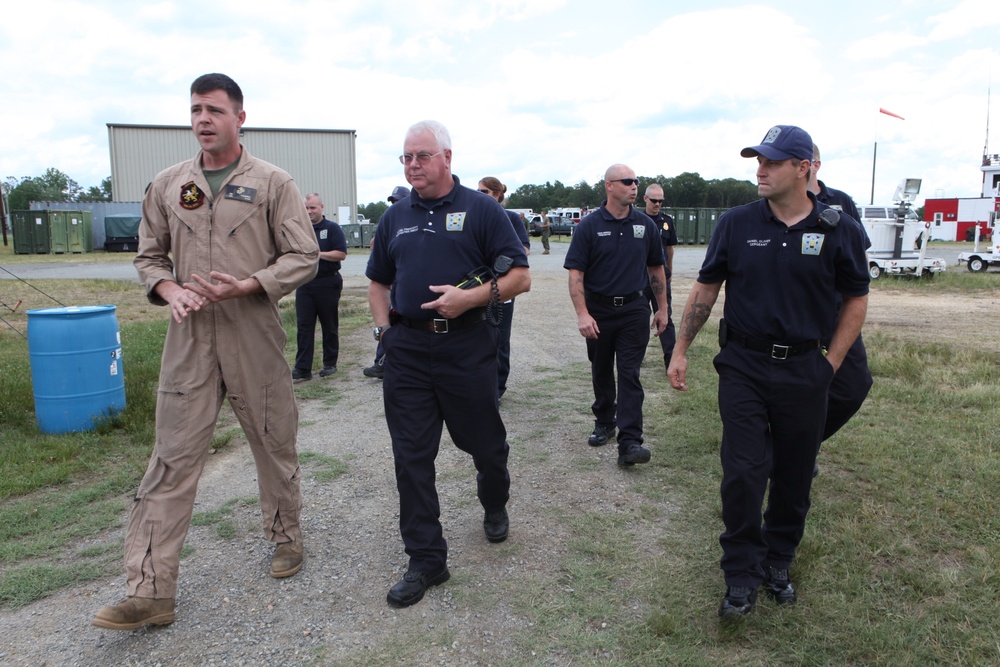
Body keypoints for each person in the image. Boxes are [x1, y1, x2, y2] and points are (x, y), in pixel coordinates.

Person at [92, 73, 319, 631]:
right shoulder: (170, 185)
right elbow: (149, 258)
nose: (203, 119)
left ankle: (287, 537)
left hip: (252, 332)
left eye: (214, 110)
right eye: (196, 109)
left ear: (240, 117)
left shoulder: (272, 182)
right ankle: (149, 591)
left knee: (273, 442)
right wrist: (169, 290)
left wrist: (247, 285)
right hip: (189, 339)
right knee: (170, 458)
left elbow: (303, 256)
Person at [667, 125, 869, 618]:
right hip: (743, 365)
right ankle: (740, 571)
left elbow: (857, 298)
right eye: (758, 160)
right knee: (742, 472)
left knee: (795, 473)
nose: (761, 169)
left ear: (804, 168)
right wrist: (680, 348)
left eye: (773, 162)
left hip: (805, 368)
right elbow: (706, 289)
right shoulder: (736, 223)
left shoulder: (836, 227)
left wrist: (831, 365)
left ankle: (779, 559)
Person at [367, 120, 530, 608]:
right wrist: (384, 332)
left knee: (485, 445)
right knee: (411, 456)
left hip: (466, 347)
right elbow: (377, 281)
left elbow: (520, 276)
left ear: (447, 158)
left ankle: (494, 501)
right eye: (406, 158)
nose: (413, 165)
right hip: (409, 353)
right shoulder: (394, 217)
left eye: (421, 156)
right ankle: (426, 560)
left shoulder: (481, 210)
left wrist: (471, 298)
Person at [564, 165, 668, 466]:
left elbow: (655, 269)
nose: (634, 186)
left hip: (635, 309)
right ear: (609, 186)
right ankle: (605, 420)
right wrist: (582, 314)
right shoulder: (590, 226)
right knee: (601, 367)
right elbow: (576, 273)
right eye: (627, 182)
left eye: (636, 181)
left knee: (629, 373)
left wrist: (663, 309)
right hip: (599, 310)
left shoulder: (645, 225)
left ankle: (630, 441)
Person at [809, 144, 874, 473]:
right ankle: (784, 448)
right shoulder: (774, 203)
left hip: (836, 307)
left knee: (853, 385)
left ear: (814, 164)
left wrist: (858, 294)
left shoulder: (841, 201)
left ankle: (805, 441)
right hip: (799, 307)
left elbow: (859, 251)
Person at [478, 176, 531, 403]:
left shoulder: (510, 218)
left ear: (498, 194)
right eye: (478, 191)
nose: (481, 195)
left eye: (486, 192)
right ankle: (479, 385)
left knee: (499, 339)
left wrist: (503, 256)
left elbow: (524, 249)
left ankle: (497, 388)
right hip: (475, 288)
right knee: (475, 339)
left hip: (502, 287)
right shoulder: (474, 217)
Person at [292, 193, 348, 382]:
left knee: (329, 324)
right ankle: (302, 368)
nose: (309, 212)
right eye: (306, 208)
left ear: (322, 207)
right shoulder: (300, 230)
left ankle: (329, 363)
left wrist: (317, 254)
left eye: (313, 208)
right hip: (305, 283)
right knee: (304, 326)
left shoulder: (332, 229)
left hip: (327, 282)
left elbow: (341, 254)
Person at [362, 185, 410, 380]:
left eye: (398, 201)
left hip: (403, 284)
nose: (394, 205)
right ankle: (381, 361)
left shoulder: (411, 221)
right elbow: (374, 245)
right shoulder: (390, 221)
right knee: (387, 322)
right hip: (389, 282)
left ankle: (389, 362)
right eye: (392, 201)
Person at [642, 183, 678, 371]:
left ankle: (670, 361)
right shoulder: (637, 220)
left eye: (661, 201)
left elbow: (669, 249)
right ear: (645, 199)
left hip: (661, 279)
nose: (658, 204)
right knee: (638, 319)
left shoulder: (667, 221)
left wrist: (669, 272)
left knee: (666, 318)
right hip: (640, 279)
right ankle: (635, 358)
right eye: (654, 200)